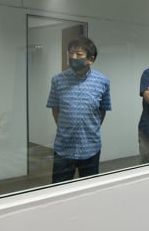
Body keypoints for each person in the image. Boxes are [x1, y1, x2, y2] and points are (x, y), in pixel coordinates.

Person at [46, 37, 112, 182]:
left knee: (89, 188)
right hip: (64, 146)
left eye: (79, 54)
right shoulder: (58, 80)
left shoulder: (103, 81)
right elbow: (55, 108)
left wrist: (90, 128)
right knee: (59, 189)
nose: (73, 57)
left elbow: (103, 110)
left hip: (90, 146)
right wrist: (66, 127)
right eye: (71, 53)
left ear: (91, 59)